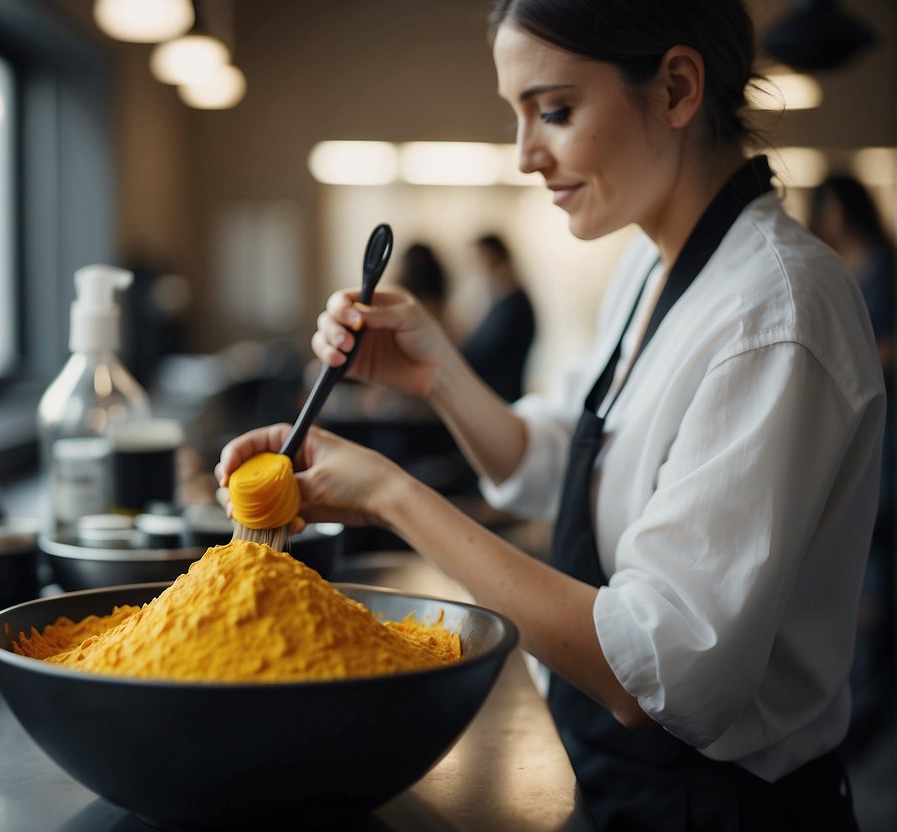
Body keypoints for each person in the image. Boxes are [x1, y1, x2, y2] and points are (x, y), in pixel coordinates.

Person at [217, 1, 885, 828]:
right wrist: (435, 374)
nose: (526, 156)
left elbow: (667, 671)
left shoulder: (775, 315)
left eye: (554, 111)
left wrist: (391, 498)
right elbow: (552, 462)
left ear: (676, 87)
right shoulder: (654, 269)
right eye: (517, 116)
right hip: (610, 776)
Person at [808, 174, 896, 754]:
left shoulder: (883, 271)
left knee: (876, 583)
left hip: (887, 445)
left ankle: (867, 718)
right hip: (868, 442)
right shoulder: (852, 271)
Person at [460, 234, 536, 401]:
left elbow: (478, 354)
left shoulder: (513, 305)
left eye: (476, 258)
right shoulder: (503, 301)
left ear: (491, 256)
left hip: (503, 398)